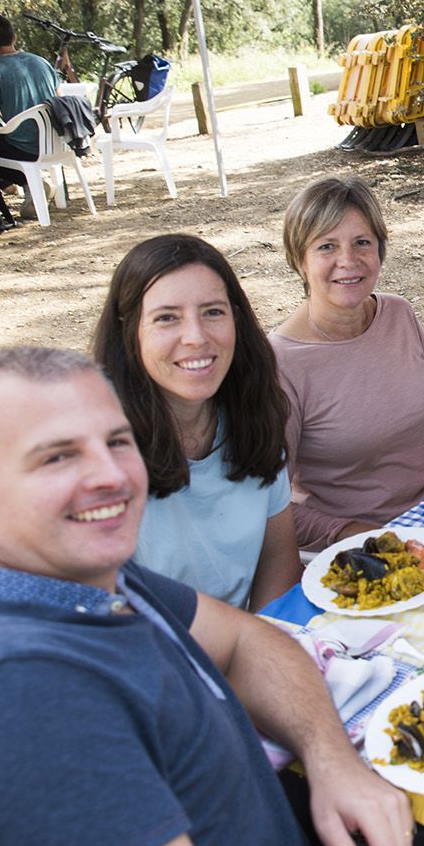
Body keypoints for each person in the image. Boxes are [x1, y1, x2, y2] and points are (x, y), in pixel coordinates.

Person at [0, 347, 415, 846]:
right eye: (57, 456)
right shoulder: (20, 687)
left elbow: (244, 642)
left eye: (118, 442)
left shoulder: (72, 573)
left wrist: (330, 761)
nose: (111, 476)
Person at [91, 236, 302, 612]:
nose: (196, 337)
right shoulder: (92, 441)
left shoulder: (253, 408)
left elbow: (278, 560)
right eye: (167, 318)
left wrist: (259, 645)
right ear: (130, 329)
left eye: (213, 312)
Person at [271, 178, 424, 551]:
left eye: (362, 243)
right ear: (300, 260)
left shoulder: (397, 312)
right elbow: (272, 509)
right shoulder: (280, 364)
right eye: (327, 246)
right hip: (375, 545)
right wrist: (366, 537)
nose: (348, 261)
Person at [0, 13, 60, 191]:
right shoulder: (42, 62)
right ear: (14, 37)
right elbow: (60, 100)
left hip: (25, 148)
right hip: (57, 140)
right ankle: (27, 185)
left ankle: (30, 183)